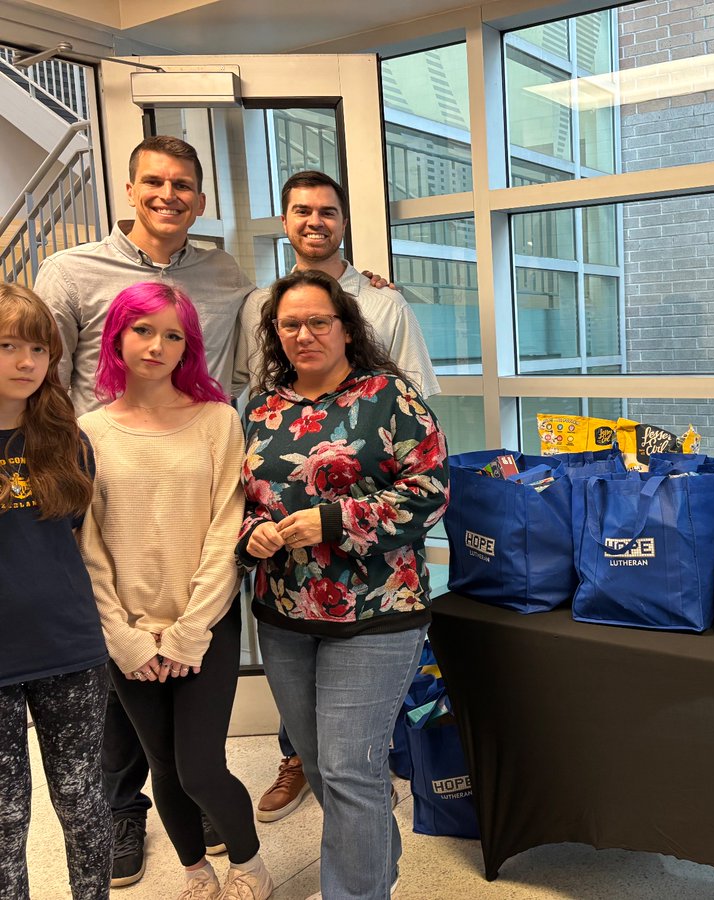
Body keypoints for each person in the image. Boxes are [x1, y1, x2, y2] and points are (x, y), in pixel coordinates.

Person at [35, 134, 259, 885]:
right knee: (133, 731)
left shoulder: (223, 274)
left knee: (196, 760)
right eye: (154, 182)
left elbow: (262, 345)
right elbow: (41, 368)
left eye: (183, 185)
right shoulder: (70, 270)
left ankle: (208, 814)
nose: (168, 195)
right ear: (129, 189)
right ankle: (131, 817)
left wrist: (354, 283)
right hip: (107, 483)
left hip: (190, 492)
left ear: (200, 199)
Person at [239, 269, 448, 899]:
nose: (304, 334)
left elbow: (430, 493)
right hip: (283, 614)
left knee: (349, 768)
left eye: (318, 321)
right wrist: (253, 532)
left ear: (347, 328)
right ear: (275, 333)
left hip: (377, 611)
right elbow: (236, 499)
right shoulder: (259, 407)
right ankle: (377, 867)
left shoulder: (392, 397)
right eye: (290, 324)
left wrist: (332, 521)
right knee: (322, 766)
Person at [78, 282, 272, 900]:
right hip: (129, 633)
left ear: (188, 347)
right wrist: (124, 637)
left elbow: (226, 529)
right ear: (117, 336)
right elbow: (88, 547)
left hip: (205, 624)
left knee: (201, 768)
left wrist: (190, 631)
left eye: (173, 335)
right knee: (162, 766)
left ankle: (251, 866)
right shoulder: (88, 431)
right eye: (143, 330)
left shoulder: (218, 421)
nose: (156, 346)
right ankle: (195, 873)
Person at [0, 284, 112, 899]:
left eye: (39, 348)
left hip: (69, 648)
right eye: (8, 346)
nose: (27, 362)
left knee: (82, 800)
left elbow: (71, 535)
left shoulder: (66, 440)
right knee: (5, 817)